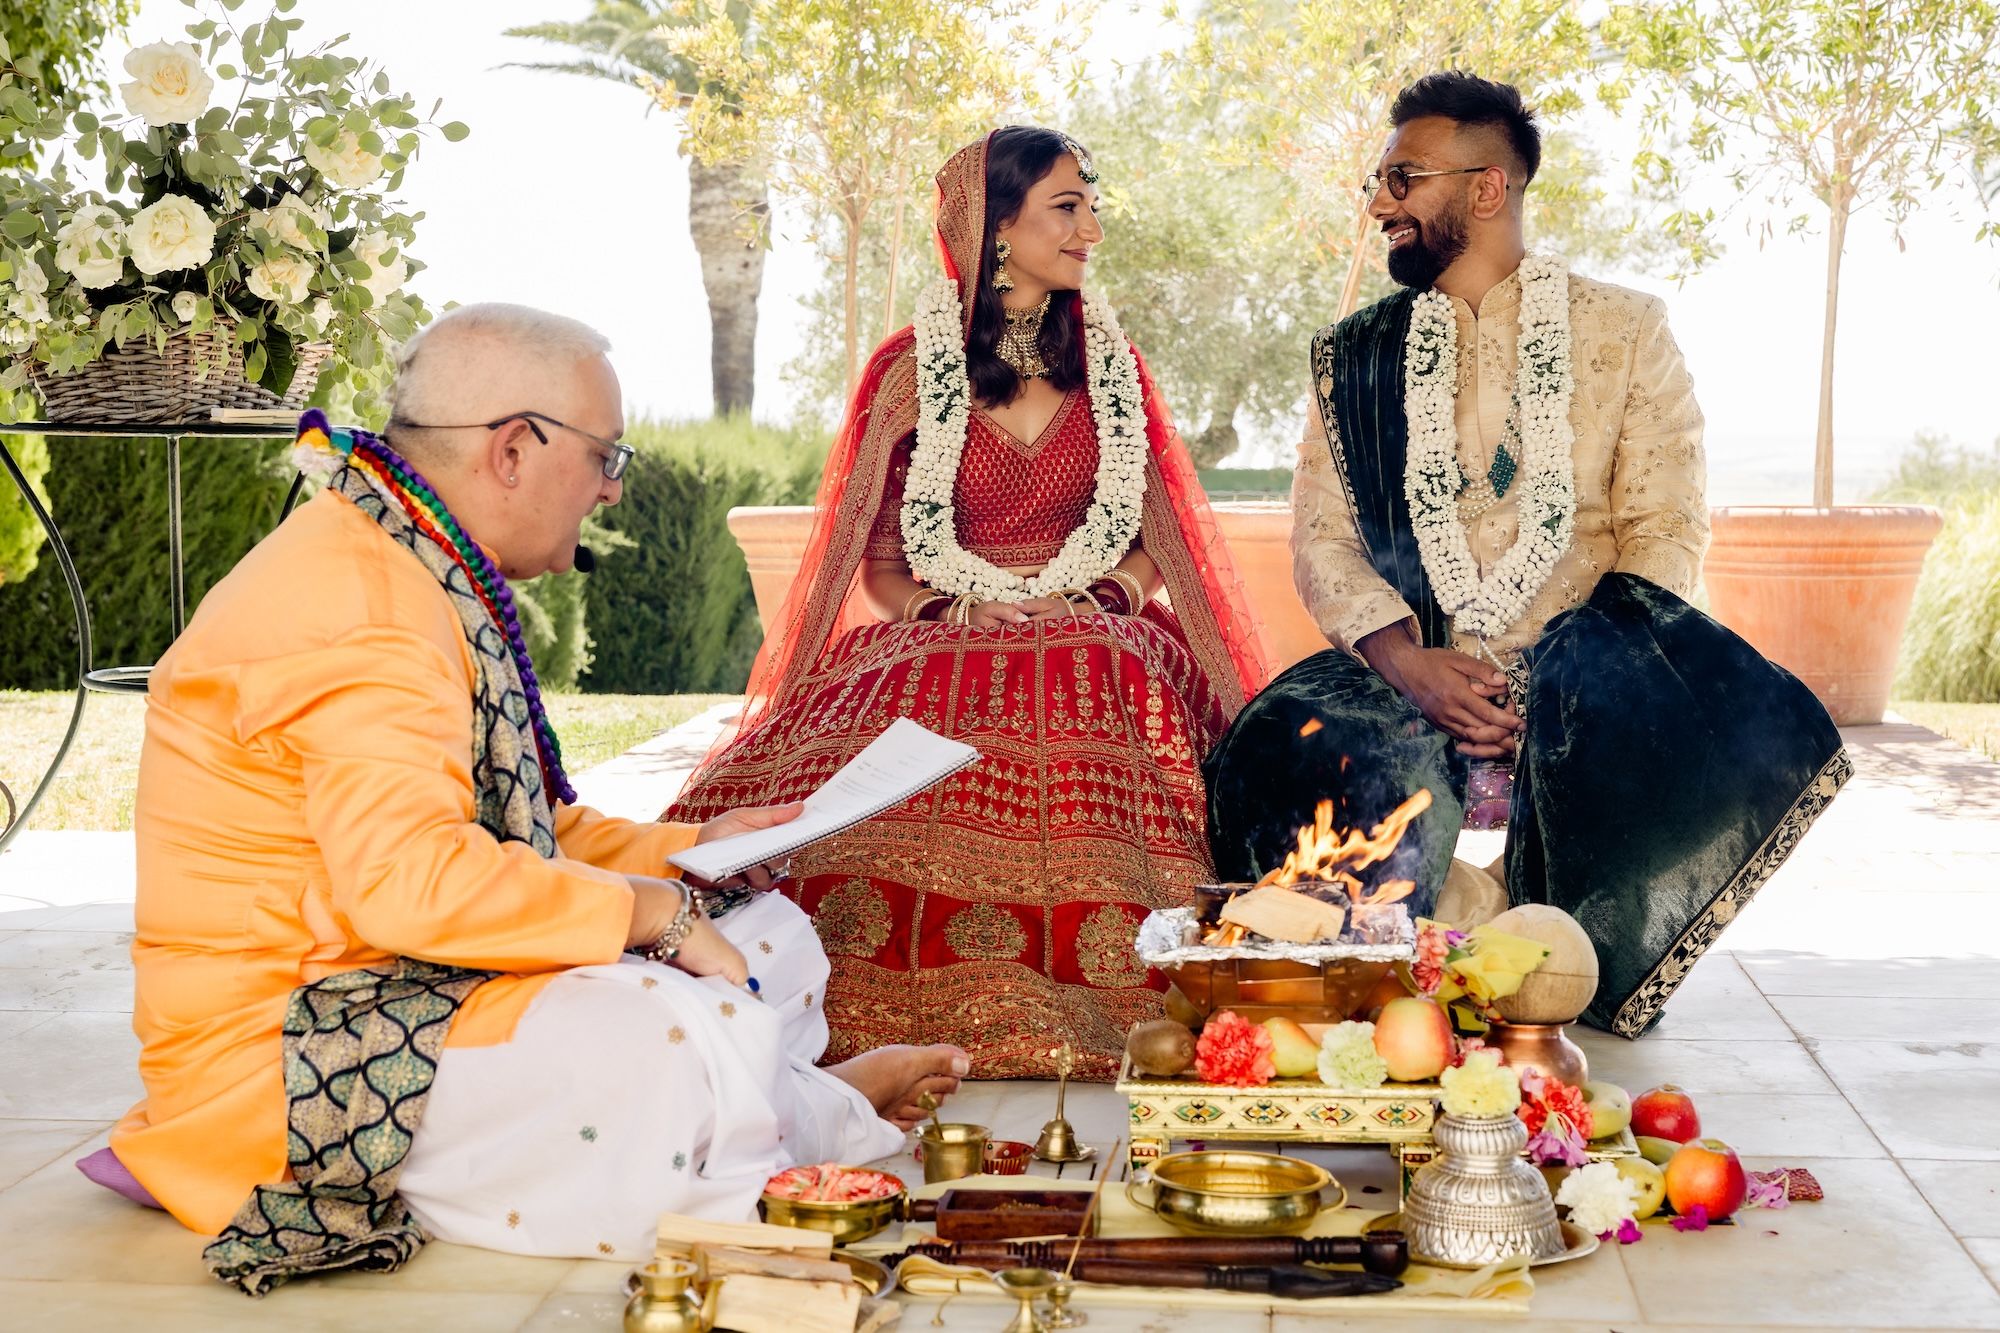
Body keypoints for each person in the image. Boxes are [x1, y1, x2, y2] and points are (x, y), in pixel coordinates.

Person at [110, 303, 966, 1295]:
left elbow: (521, 831)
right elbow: (410, 886)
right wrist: (654, 915)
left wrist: (688, 849)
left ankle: (787, 1107)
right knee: (662, 1033)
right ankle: (797, 1113)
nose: (609, 490)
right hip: (292, 1051)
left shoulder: (416, 560)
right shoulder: (361, 603)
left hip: (413, 980)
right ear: (513, 449)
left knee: (765, 929)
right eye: (607, 457)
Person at [1203, 73, 1848, 1038]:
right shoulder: (1355, 356)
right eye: (1380, 181)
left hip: (1584, 664)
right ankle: (1429, 936)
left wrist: (1567, 671)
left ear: (1487, 189)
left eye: (1403, 178)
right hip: (1414, 664)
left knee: (1666, 694)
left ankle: (1546, 948)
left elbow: (1665, 527)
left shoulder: (1625, 332)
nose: (1381, 202)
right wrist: (1409, 663)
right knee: (1288, 734)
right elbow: (1324, 540)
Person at [666, 127, 1270, 1081]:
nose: (1092, 230)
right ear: (995, 228)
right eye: (1067, 208)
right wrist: (949, 611)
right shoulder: (911, 372)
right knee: (906, 719)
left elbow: (1159, 541)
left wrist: (1103, 592)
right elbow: (878, 561)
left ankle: (1140, 984)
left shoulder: (1116, 367)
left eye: (1090, 203)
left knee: (1105, 658)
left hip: (1095, 620)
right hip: (946, 625)